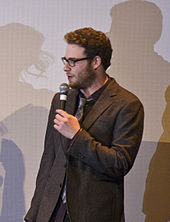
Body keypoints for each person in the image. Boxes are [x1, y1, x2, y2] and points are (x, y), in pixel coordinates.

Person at [24, 27, 144, 222]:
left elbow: (120, 163)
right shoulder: (61, 99)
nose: (66, 67)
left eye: (73, 61)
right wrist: (35, 213)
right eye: (65, 60)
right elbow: (49, 160)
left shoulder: (126, 104)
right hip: (52, 213)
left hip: (93, 214)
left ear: (96, 62)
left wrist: (77, 136)